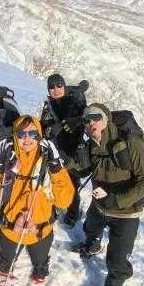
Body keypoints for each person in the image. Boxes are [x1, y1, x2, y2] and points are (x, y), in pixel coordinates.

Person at [0, 114, 75, 286]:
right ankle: (3, 283)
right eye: (22, 134)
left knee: (40, 262)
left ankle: (37, 285)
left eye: (33, 133)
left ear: (39, 136)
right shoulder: (8, 160)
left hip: (40, 230)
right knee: (6, 260)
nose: (27, 138)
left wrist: (56, 166)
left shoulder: (48, 161)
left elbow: (64, 201)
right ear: (15, 136)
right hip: (10, 229)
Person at [77, 102, 144, 286]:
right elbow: (83, 169)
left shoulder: (131, 143)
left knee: (117, 261)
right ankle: (92, 244)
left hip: (126, 213)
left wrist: (118, 200)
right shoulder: (91, 144)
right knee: (90, 226)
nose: (91, 123)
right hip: (100, 206)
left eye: (96, 117)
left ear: (107, 120)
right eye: (87, 120)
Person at [39, 71, 89, 227]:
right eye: (52, 87)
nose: (56, 89)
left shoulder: (75, 101)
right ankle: (52, 207)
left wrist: (75, 121)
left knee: (72, 183)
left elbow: (89, 117)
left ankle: (73, 213)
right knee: (53, 180)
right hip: (55, 149)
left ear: (64, 86)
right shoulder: (49, 105)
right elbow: (43, 124)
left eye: (59, 85)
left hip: (73, 150)